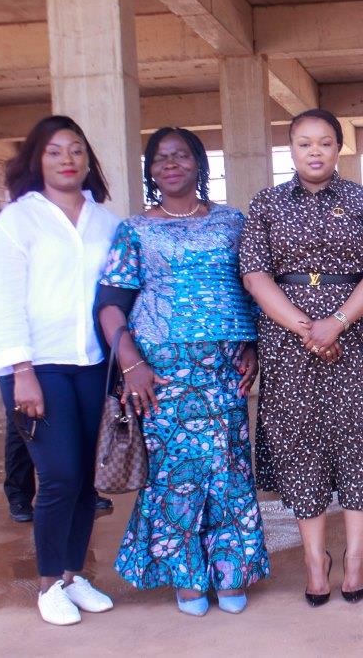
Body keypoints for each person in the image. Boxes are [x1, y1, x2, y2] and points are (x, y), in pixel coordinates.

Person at [240, 108, 363, 606]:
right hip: (287, 342)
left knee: (359, 439)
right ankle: (315, 559)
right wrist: (305, 328)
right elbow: (255, 275)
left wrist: (336, 322)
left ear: (338, 148)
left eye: (325, 143)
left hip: (358, 337)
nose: (314, 152)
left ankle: (356, 556)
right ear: (290, 150)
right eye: (304, 143)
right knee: (299, 442)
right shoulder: (267, 203)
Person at [96, 127, 270, 616]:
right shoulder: (135, 229)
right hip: (161, 371)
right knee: (177, 472)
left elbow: (253, 287)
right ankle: (187, 576)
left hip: (224, 367)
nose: (170, 164)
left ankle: (231, 572)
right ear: (150, 171)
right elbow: (110, 305)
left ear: (199, 163)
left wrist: (252, 344)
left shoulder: (233, 222)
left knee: (228, 466)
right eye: (160, 158)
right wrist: (131, 364)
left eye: (181, 155)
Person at [0, 115, 120, 625]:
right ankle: (47, 586)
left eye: (76, 150)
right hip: (36, 367)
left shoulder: (106, 222)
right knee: (59, 474)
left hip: (92, 364)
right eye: (55, 151)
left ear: (88, 160)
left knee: (85, 478)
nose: (67, 159)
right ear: (36, 160)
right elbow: (2, 302)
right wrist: (21, 369)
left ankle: (72, 575)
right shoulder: (16, 222)